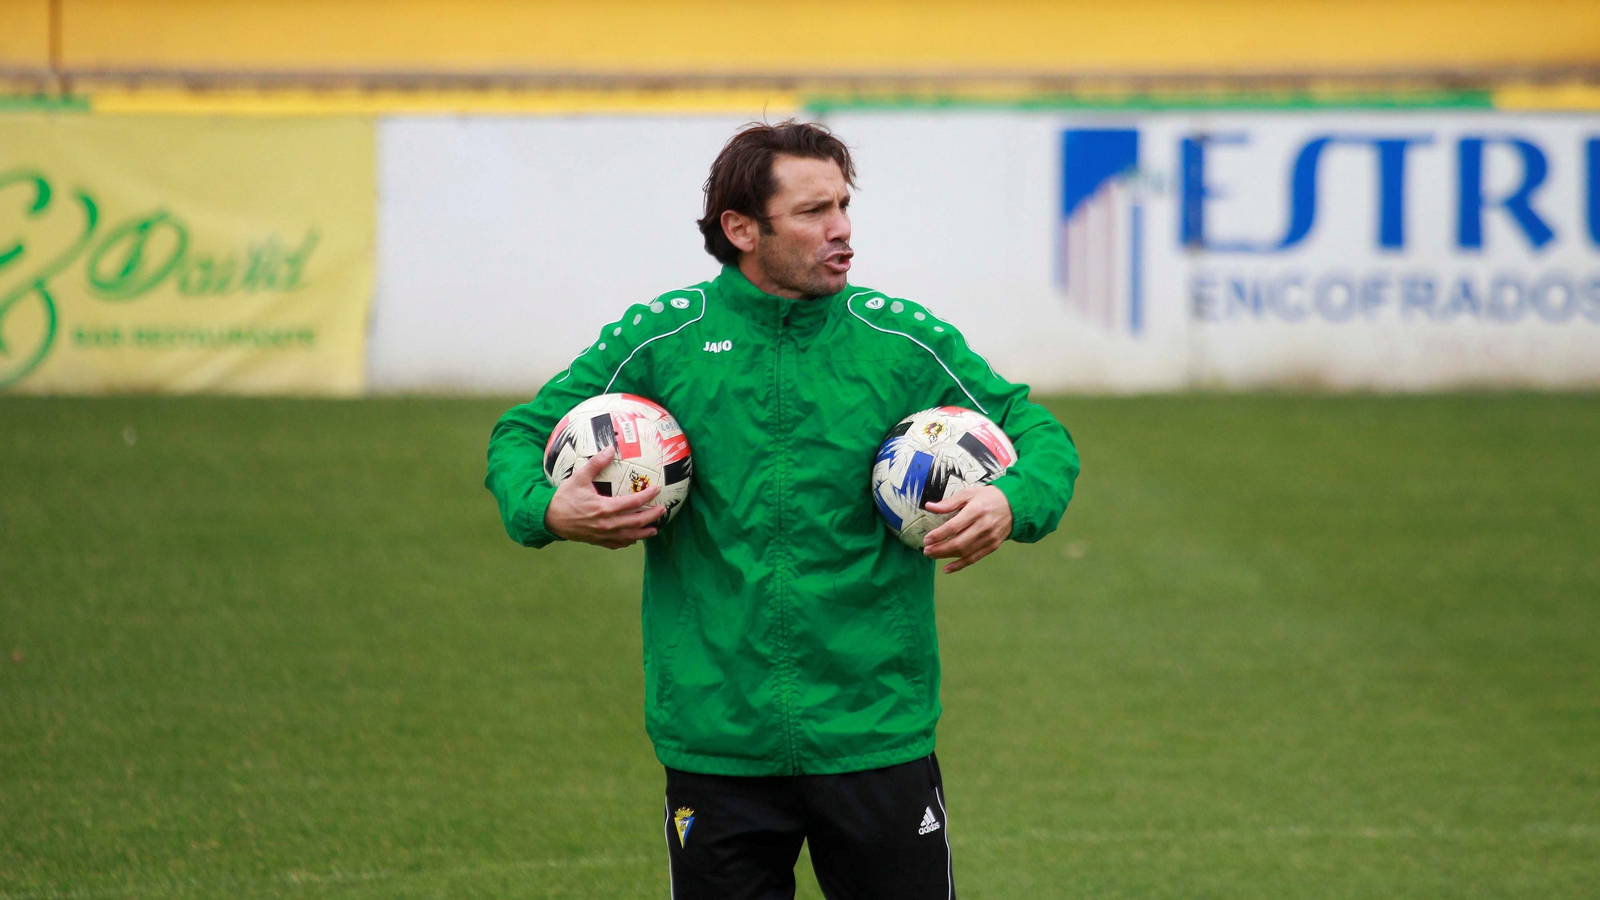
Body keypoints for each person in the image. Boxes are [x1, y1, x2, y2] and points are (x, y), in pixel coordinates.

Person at [485, 121, 1079, 900]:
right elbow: (522, 433)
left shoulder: (899, 342)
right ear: (740, 228)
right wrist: (546, 509)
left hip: (875, 731)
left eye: (842, 205)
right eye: (812, 212)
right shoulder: (666, 340)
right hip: (717, 738)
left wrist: (1011, 498)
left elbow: (1039, 435)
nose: (841, 230)